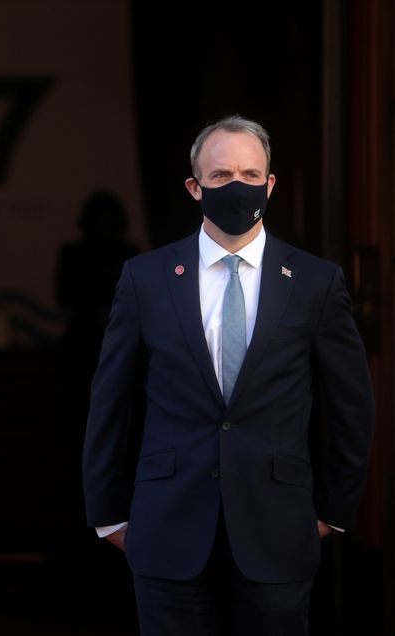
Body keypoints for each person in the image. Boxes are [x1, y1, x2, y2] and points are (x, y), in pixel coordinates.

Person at [82, 115, 374, 635]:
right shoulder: (146, 278)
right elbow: (112, 399)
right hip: (166, 525)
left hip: (279, 528)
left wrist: (333, 510)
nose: (237, 186)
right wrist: (108, 513)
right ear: (195, 187)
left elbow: (350, 405)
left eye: (249, 173)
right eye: (220, 177)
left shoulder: (315, 282)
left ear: (271, 183)